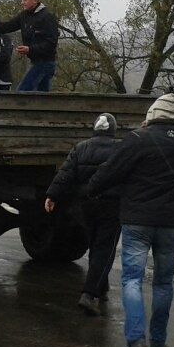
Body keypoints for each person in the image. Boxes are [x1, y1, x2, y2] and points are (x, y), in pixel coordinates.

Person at [87, 94, 174, 347]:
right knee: (163, 283)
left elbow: (111, 171)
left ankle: (137, 340)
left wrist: (91, 188)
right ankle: (158, 343)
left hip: (137, 221)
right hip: (170, 223)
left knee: (132, 279)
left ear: (152, 115)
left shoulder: (138, 139)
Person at [44, 114, 123, 315]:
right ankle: (89, 294)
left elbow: (66, 174)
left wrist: (52, 195)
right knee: (105, 248)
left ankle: (101, 287)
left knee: (95, 245)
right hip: (111, 206)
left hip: (86, 206)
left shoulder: (81, 148)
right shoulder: (120, 149)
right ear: (113, 130)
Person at [0, 0, 59, 92]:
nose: (22, 2)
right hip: (35, 61)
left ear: (35, 0)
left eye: (25, 0)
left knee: (21, 92)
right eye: (22, 0)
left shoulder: (47, 17)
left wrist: (30, 49)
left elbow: (51, 43)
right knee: (41, 96)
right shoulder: (24, 16)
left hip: (45, 62)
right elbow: (6, 27)